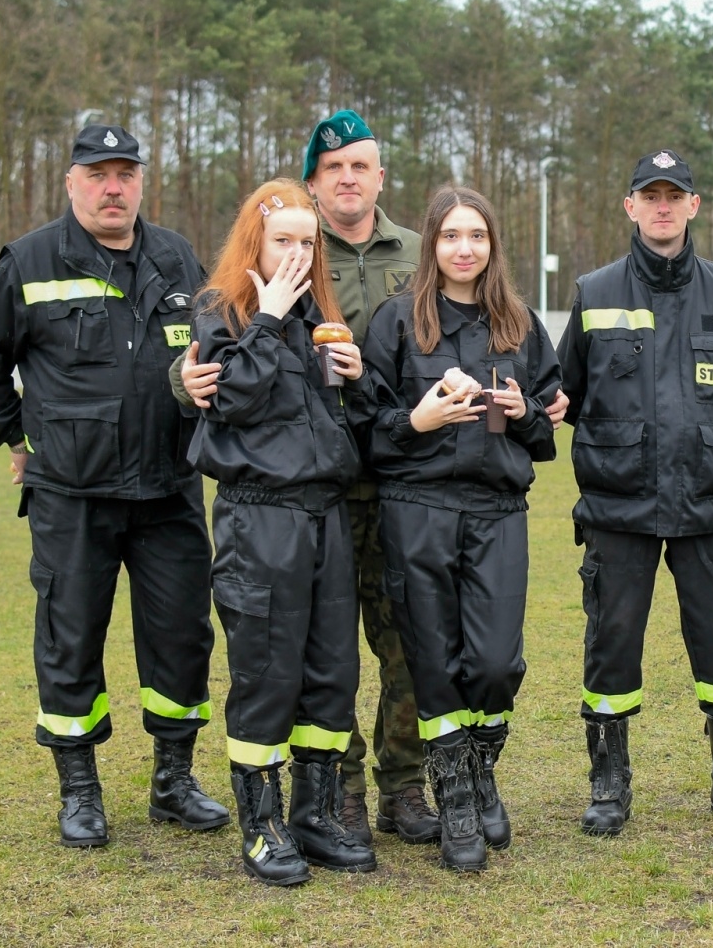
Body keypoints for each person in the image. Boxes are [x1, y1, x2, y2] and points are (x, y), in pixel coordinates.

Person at [177, 112, 567, 847]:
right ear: (312, 186)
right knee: (311, 657)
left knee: (406, 652)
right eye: (333, 169)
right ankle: (340, 798)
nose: (348, 178)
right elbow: (221, 366)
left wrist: (535, 410)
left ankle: (406, 788)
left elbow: (526, 387)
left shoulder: (425, 251)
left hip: (398, 490)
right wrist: (186, 379)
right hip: (313, 492)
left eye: (361, 165)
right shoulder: (270, 283)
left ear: (381, 177)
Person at [0, 124, 227, 848]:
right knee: (70, 638)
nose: (113, 188)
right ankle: (80, 792)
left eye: (125, 174)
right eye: (98, 175)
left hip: (168, 488)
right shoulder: (31, 260)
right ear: (71, 182)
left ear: (141, 182)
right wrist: (18, 436)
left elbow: (213, 350)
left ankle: (173, 782)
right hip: (71, 494)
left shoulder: (176, 257)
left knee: (182, 637)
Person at [556, 149, 713, 836]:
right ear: (630, 206)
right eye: (649, 195)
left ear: (694, 205)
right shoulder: (595, 291)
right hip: (618, 505)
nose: (662, 207)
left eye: (674, 196)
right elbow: (566, 392)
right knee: (611, 642)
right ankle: (609, 784)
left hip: (706, 503)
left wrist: (712, 447)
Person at [361, 186, 560, 872]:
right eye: (450, 236)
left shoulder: (521, 324)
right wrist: (415, 421)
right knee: (435, 661)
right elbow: (363, 428)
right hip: (417, 507)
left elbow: (546, 428)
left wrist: (526, 412)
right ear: (432, 244)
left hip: (497, 509)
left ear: (493, 245)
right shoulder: (397, 321)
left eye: (477, 235)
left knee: (497, 662)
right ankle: (458, 802)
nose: (464, 248)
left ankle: (479, 771)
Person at [190, 179, 375, 885]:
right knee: (267, 672)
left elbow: (340, 421)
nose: (297, 253)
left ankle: (316, 815)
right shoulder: (224, 311)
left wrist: (357, 377)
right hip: (259, 516)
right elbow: (232, 399)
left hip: (326, 513)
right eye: (282, 240)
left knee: (331, 670)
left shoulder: (317, 316)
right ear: (255, 243)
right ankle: (261, 825)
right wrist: (265, 319)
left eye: (307, 242)